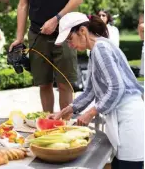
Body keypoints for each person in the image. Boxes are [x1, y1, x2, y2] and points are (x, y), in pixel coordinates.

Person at [50, 12, 144, 169]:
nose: (70, 45)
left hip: (129, 116)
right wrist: (64, 111)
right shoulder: (96, 50)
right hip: (121, 115)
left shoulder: (101, 48)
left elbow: (117, 88)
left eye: (69, 39)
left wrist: (90, 113)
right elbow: (89, 92)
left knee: (128, 166)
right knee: (119, 165)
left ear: (82, 31)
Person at [10, 0, 83, 112]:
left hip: (66, 34)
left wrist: (57, 19)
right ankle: (48, 123)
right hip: (38, 34)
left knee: (65, 82)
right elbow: (23, 5)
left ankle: (64, 126)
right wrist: (19, 38)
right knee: (44, 83)